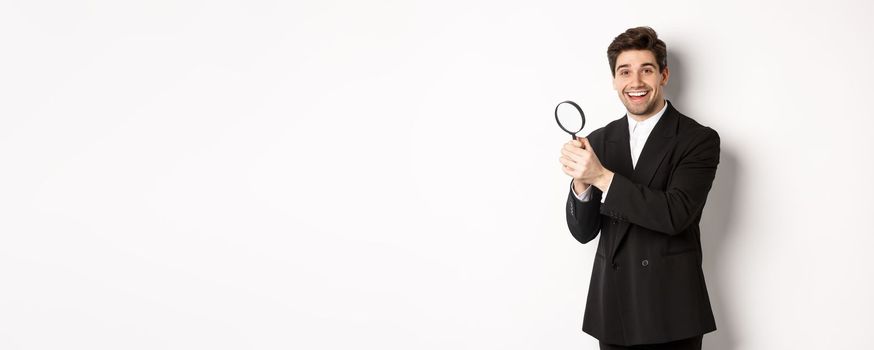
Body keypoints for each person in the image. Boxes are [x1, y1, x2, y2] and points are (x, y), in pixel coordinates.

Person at [559, 27, 719, 350]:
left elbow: (674, 214)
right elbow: (583, 231)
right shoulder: (599, 141)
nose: (635, 82)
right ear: (614, 81)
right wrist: (581, 182)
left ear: (664, 75)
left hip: (672, 313)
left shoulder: (698, 140)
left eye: (646, 70)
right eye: (624, 72)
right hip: (613, 311)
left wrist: (601, 177)